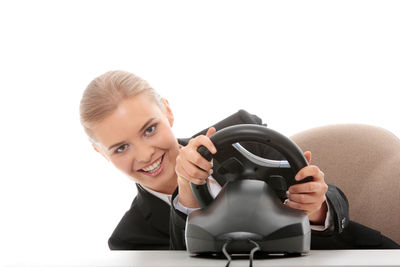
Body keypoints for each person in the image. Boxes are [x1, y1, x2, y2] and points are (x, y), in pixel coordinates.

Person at [79, 70, 399, 250]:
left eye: (149, 129)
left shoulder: (242, 139)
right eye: (121, 148)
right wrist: (187, 197)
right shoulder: (129, 240)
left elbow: (328, 196)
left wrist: (316, 208)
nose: (145, 154)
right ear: (101, 153)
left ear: (168, 112)